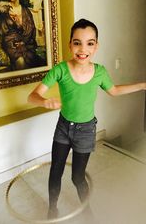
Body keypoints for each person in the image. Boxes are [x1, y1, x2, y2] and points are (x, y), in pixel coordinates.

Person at [27, 18, 146, 219]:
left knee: (78, 177)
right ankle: (52, 207)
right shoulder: (60, 70)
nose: (83, 49)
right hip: (64, 127)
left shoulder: (100, 72)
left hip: (86, 131)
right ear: (70, 44)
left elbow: (114, 91)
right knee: (56, 171)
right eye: (77, 42)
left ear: (96, 46)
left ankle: (85, 209)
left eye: (90, 43)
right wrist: (44, 102)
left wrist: (142, 85)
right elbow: (32, 96)